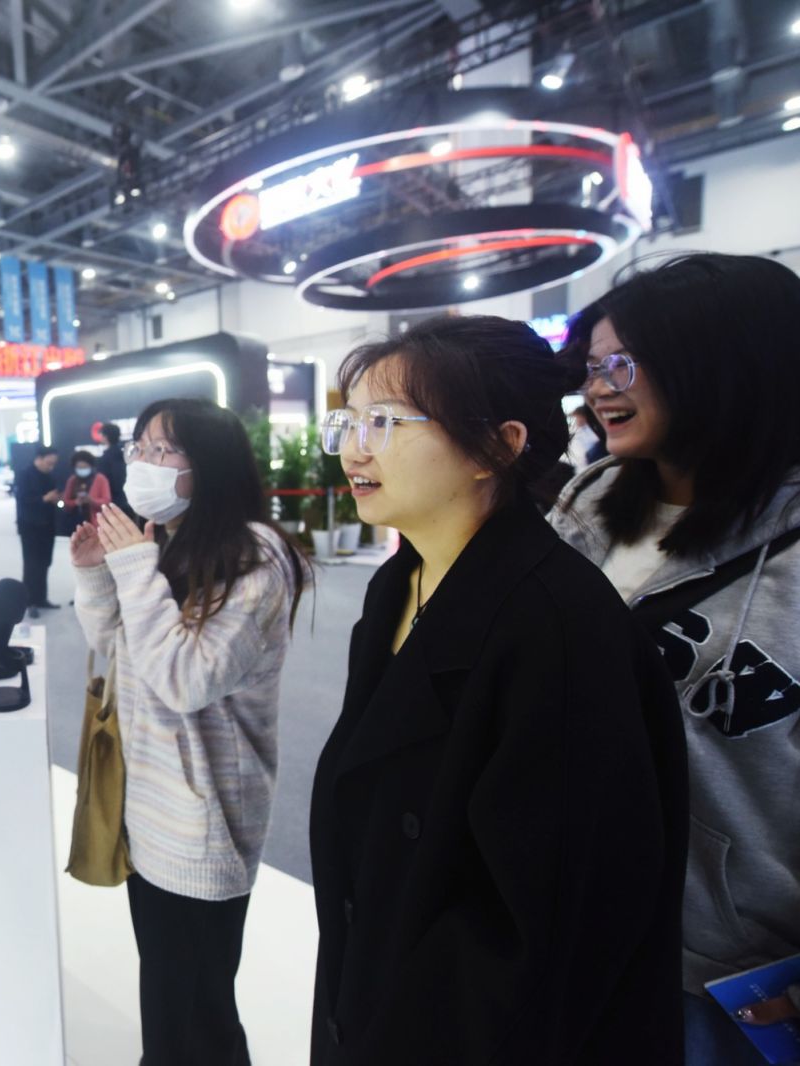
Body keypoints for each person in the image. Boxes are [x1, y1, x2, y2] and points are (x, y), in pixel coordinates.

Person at [307, 314, 688, 1065]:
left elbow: (552, 932)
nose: (355, 447)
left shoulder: (559, 631)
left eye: (384, 421)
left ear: (495, 445)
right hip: (375, 984)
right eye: (349, 421)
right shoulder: (398, 584)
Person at [548, 253, 800, 1066]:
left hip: (723, 976)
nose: (598, 390)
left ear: (724, 363)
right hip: (568, 923)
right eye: (591, 368)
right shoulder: (586, 504)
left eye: (622, 364)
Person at [71, 398, 309, 1066]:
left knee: (197, 1018)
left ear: (209, 464)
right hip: (150, 809)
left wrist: (130, 569)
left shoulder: (255, 557)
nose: (141, 463)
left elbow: (183, 680)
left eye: (160, 450)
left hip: (202, 820)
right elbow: (125, 652)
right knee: (169, 1003)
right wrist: (97, 573)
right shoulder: (170, 537)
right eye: (137, 450)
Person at [16, 445, 63, 618]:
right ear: (39, 458)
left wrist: (57, 500)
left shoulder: (49, 476)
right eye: (49, 463)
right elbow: (23, 499)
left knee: (45, 562)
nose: (51, 467)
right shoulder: (25, 474)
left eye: (53, 464)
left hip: (47, 526)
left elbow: (54, 499)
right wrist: (45, 498)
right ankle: (30, 602)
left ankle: (42, 598)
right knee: (31, 565)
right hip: (30, 526)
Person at [61, 449, 112, 530]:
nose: (82, 469)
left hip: (95, 523)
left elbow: (106, 501)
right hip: (75, 522)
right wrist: (75, 502)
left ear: (91, 466)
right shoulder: (72, 480)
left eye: (84, 467)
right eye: (79, 467)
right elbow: (65, 501)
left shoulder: (100, 479)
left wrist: (91, 500)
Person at [98, 420, 130, 515]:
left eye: (101, 435)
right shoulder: (125, 454)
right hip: (128, 500)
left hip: (113, 502)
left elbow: (105, 481)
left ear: (105, 437)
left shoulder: (106, 458)